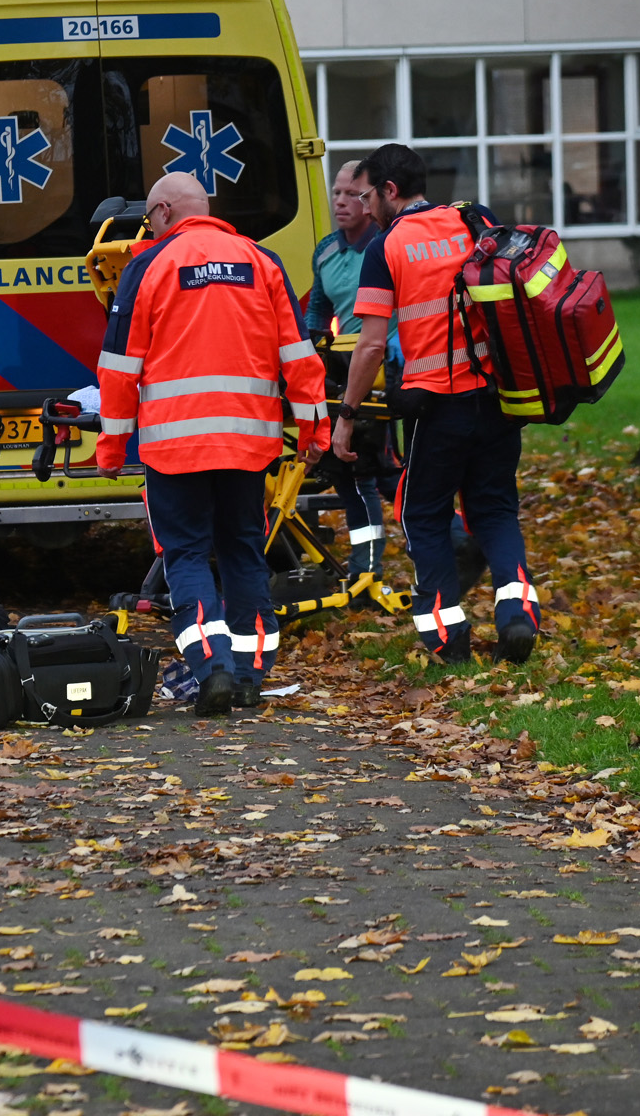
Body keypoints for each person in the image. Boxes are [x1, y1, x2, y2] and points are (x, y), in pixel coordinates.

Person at [95, 172, 330, 716]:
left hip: (174, 449)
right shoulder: (261, 262)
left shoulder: (148, 267)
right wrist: (315, 431)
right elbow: (300, 358)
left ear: (160, 213)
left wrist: (110, 447)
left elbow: (119, 369)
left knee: (186, 555)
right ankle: (250, 674)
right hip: (249, 444)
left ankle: (212, 665)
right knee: (243, 552)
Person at [332, 143, 539, 665]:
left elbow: (373, 342)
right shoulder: (474, 219)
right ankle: (517, 615)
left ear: (390, 191)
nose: (365, 205)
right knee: (494, 508)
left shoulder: (386, 247)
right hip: (497, 397)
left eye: (367, 195)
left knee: (421, 513)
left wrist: (347, 414)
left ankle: (448, 635)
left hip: (438, 405)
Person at [306, 160, 402, 580]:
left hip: (387, 371)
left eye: (352, 194)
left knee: (374, 473)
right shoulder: (326, 250)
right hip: (343, 372)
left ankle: (371, 567)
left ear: (371, 198)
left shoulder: (388, 246)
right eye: (337, 193)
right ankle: (367, 563)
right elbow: (317, 311)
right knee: (349, 472)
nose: (341, 202)